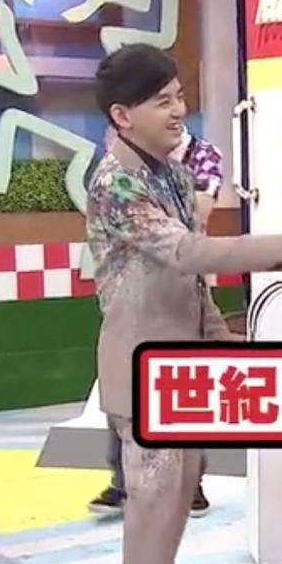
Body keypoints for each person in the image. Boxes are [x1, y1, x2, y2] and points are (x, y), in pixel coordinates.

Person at [88, 43, 282, 564]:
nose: (179, 111)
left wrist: (222, 345)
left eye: (179, 97)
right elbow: (187, 254)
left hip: (184, 372)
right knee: (152, 528)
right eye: (161, 101)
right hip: (143, 374)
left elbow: (192, 283)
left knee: (168, 522)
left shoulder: (174, 175)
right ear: (122, 115)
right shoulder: (115, 183)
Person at [88, 126, 229, 518]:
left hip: (182, 285)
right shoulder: (120, 160)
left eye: (175, 99)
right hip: (131, 293)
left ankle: (191, 486)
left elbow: (199, 214)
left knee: (182, 390)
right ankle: (123, 483)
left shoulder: (200, 156)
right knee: (124, 392)